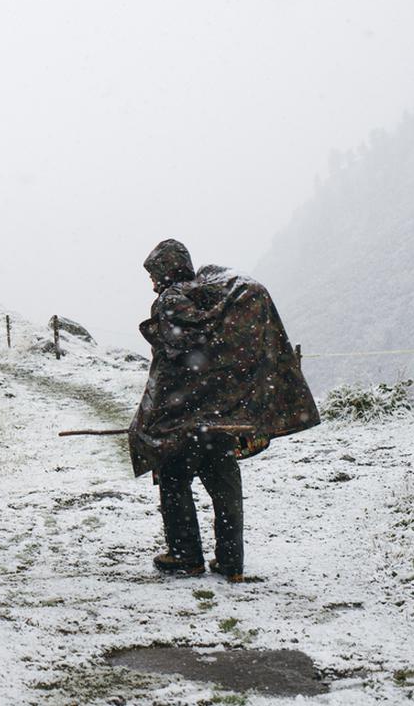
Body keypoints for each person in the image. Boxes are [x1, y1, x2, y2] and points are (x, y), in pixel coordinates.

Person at [128, 239, 319, 582]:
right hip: (223, 416)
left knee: (174, 480)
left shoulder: (172, 299)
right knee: (224, 484)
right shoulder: (217, 297)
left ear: (165, 269)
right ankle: (231, 562)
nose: (153, 282)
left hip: (183, 417)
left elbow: (178, 350)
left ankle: (186, 555)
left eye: (154, 274)